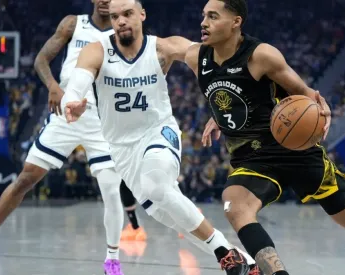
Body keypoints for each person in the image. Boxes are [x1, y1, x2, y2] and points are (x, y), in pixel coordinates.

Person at [186, 0, 345, 274]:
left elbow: (305, 93)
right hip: (253, 158)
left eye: (213, 16)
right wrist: (218, 113)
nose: (203, 22)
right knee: (235, 207)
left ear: (236, 21)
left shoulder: (261, 55)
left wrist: (321, 110)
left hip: (296, 151)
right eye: (203, 16)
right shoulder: (197, 57)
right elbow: (163, 46)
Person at [61, 0, 260, 274]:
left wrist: (221, 106)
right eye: (116, 15)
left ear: (142, 15)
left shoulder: (163, 48)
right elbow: (75, 86)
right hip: (122, 149)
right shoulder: (96, 51)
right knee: (172, 217)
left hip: (159, 132)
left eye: (128, 14)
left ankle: (225, 254)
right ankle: (244, 262)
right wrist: (73, 101)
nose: (121, 20)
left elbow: (211, 65)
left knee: (156, 186)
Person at [0, 1, 128, 274]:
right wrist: (53, 86)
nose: (104, 1)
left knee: (112, 191)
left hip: (101, 120)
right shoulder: (73, 24)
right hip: (65, 114)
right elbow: (42, 59)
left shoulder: (121, 32)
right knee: (25, 178)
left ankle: (112, 259)